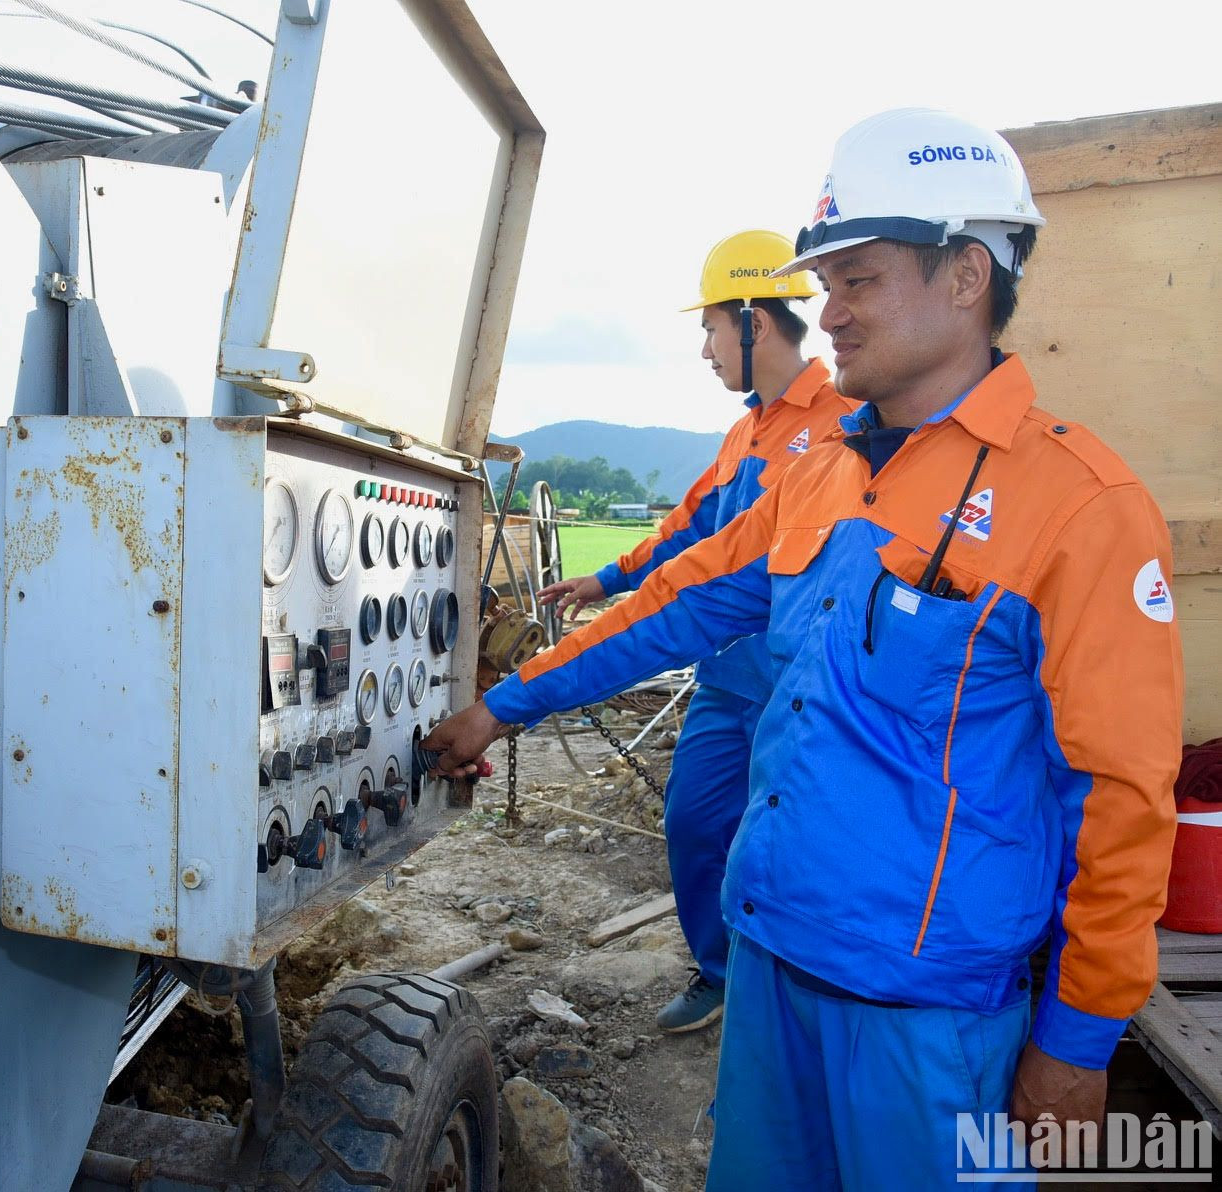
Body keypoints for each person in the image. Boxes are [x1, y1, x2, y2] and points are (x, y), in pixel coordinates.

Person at [425, 108, 1181, 1188]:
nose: (824, 314)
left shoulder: (1079, 509)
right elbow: (676, 600)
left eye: (856, 280)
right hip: (772, 969)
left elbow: (1121, 803)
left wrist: (1073, 1044)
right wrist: (500, 706)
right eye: (822, 284)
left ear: (966, 275)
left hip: (927, 1024)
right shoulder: (818, 474)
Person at [537, 229, 853, 1033]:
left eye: (712, 327)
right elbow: (687, 531)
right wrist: (606, 580)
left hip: (797, 689)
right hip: (726, 679)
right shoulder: (746, 432)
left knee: (792, 842)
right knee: (693, 821)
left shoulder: (846, 420)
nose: (706, 349)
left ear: (753, 321)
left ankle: (783, 996)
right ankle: (719, 973)